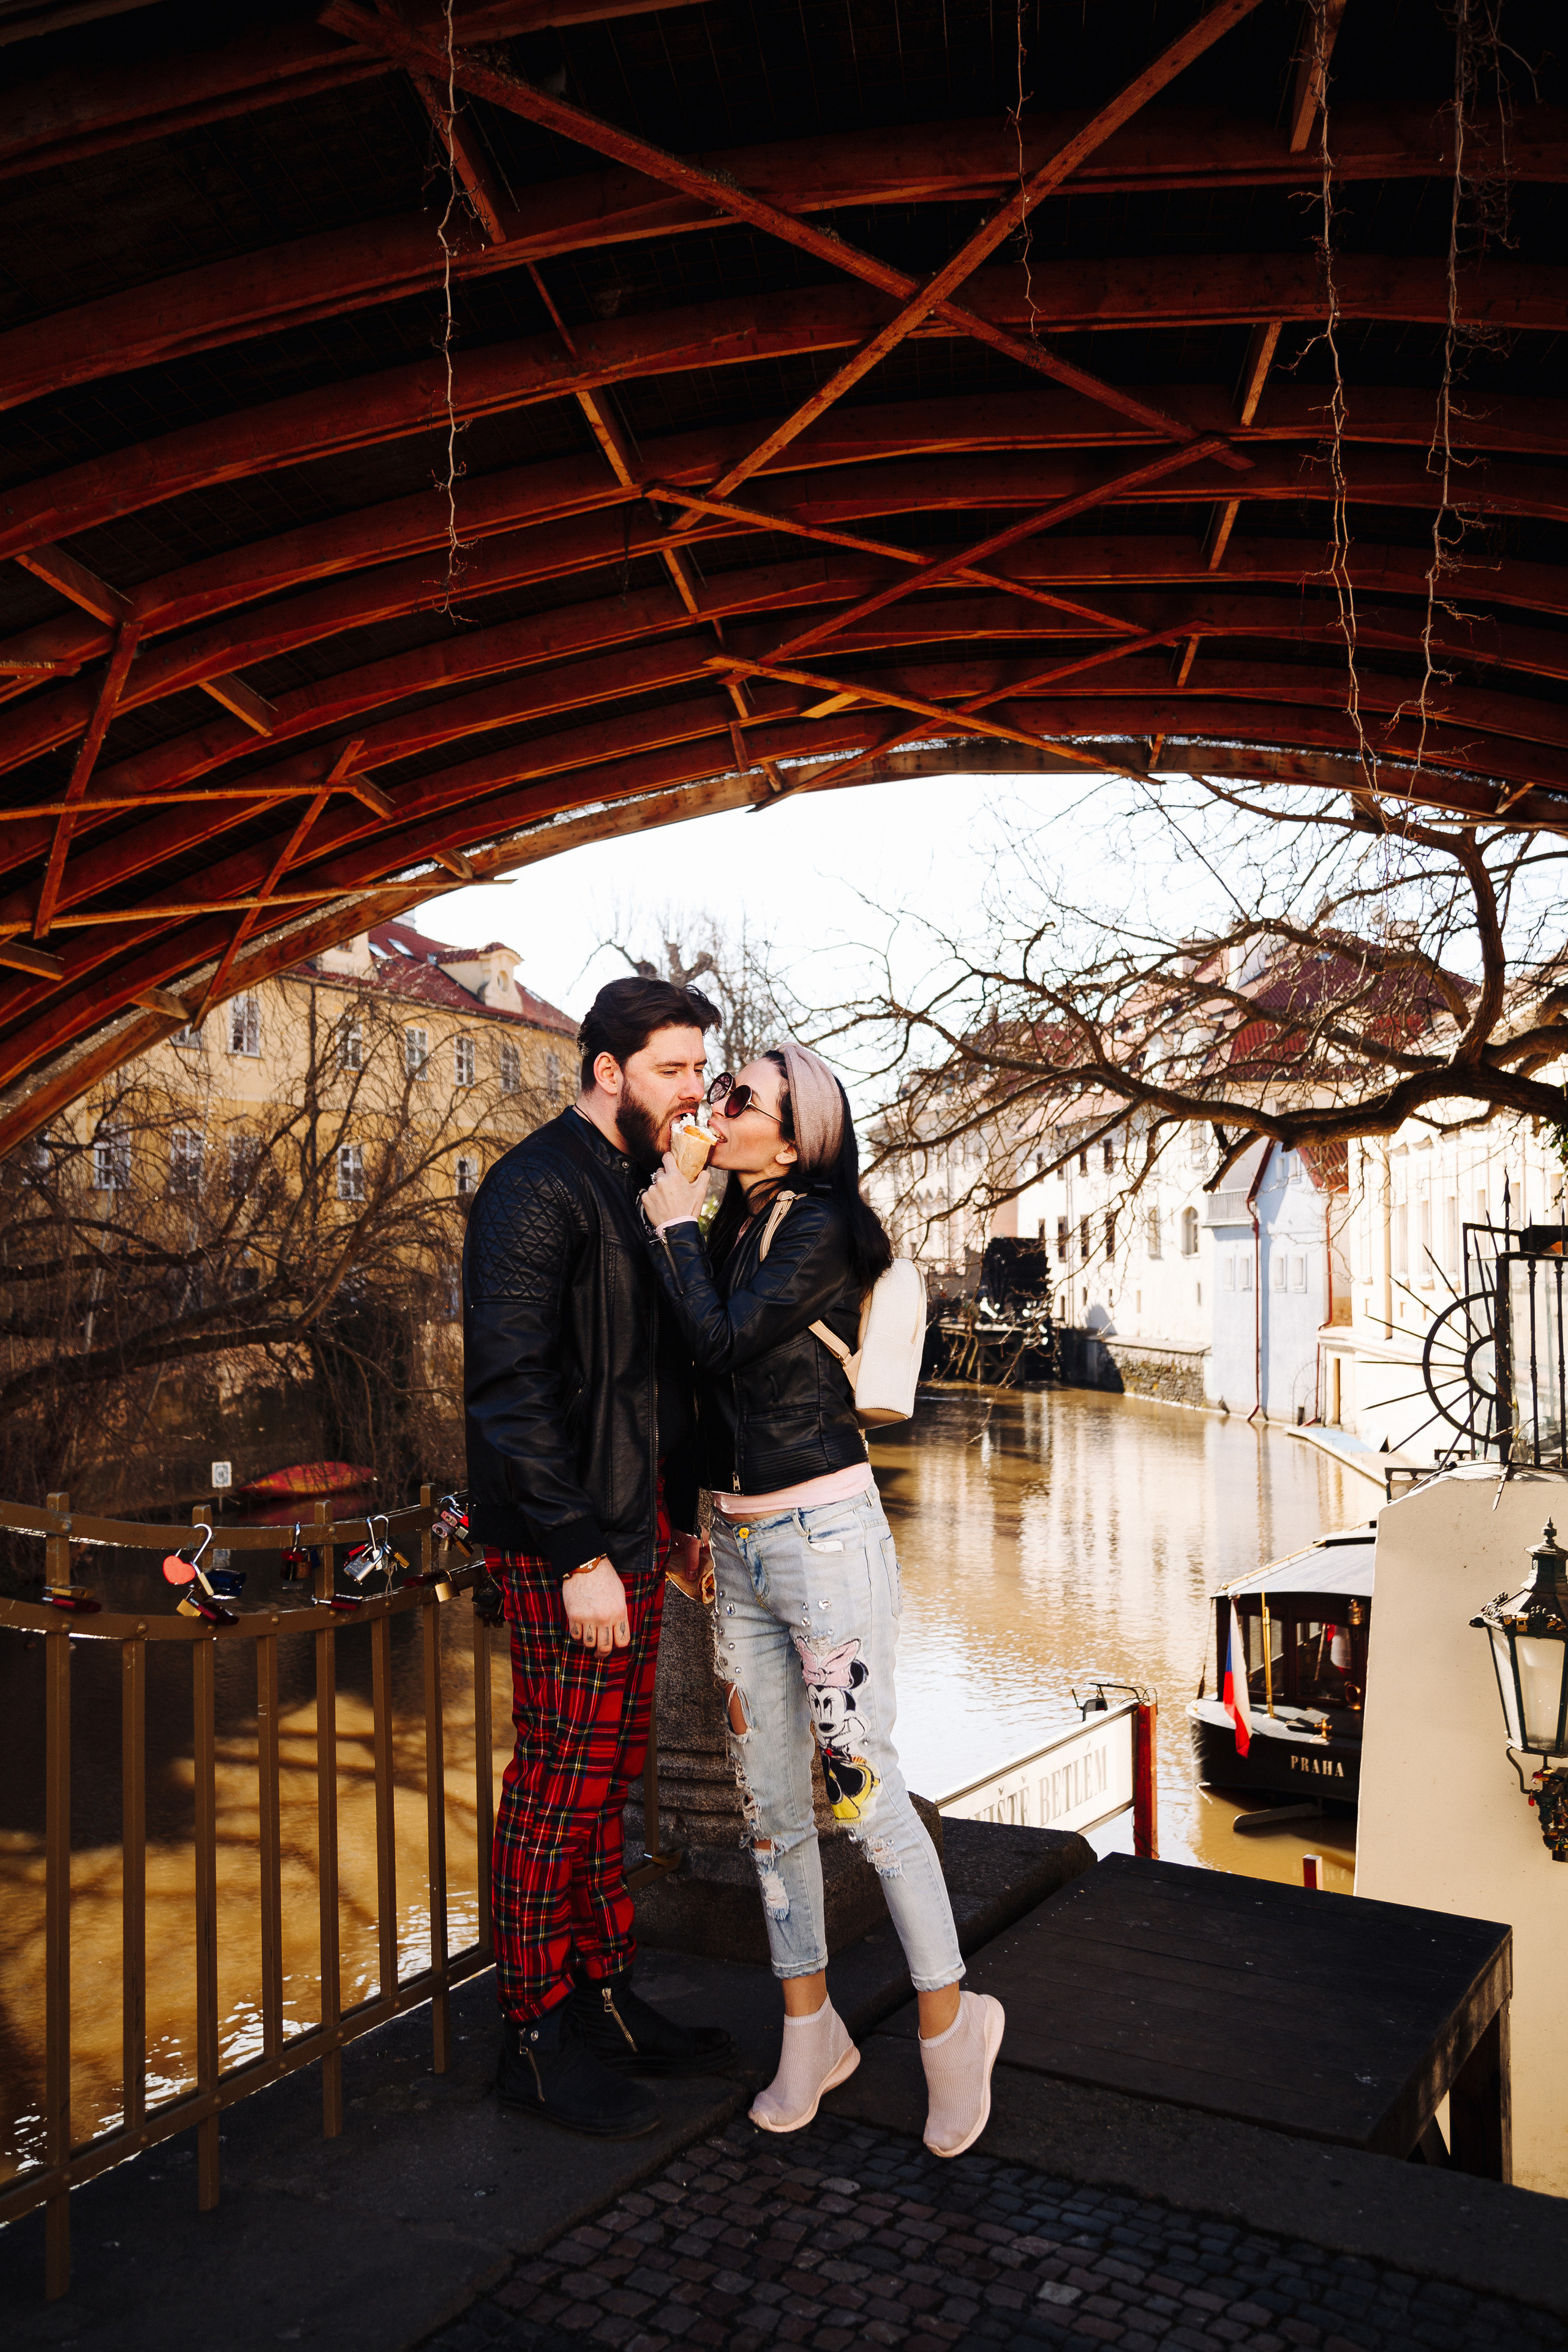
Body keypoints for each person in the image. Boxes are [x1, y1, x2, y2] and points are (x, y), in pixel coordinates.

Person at [641, 1042, 1004, 2159]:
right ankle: (814, 2030)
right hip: (736, 1543)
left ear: (795, 1138)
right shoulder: (727, 1224)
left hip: (822, 1535)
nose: (718, 1104)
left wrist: (669, 1217)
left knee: (859, 1787)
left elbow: (719, 1335)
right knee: (767, 1807)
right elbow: (684, 1376)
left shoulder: (822, 1226)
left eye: (741, 1095)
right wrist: (678, 1522)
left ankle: (952, 2024)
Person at [463, 976, 737, 2138]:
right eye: (674, 1071)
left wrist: (672, 1524)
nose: (695, 1093)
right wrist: (576, 1548)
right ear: (608, 1071)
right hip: (565, 1541)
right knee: (554, 1791)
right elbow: (509, 1388)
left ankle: (608, 1999)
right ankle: (532, 2033)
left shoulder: (639, 1184)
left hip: (628, 1533)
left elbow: (658, 1377)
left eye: (700, 1071)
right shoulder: (536, 1188)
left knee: (604, 1785)